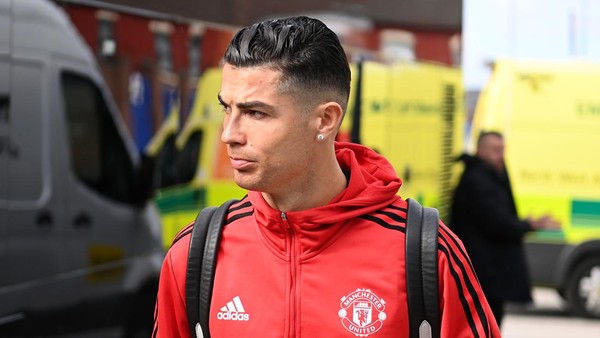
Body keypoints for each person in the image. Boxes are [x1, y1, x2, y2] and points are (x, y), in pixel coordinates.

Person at [153, 16, 500, 338]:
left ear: (325, 120)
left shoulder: (426, 252)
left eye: (255, 112)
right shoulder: (197, 252)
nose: (229, 134)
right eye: (227, 108)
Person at [450, 131, 560, 327]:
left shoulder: (492, 175)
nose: (500, 155)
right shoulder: (477, 180)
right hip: (482, 271)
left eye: (502, 150)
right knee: (485, 323)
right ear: (480, 150)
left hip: (489, 271)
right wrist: (529, 225)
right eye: (495, 150)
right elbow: (497, 222)